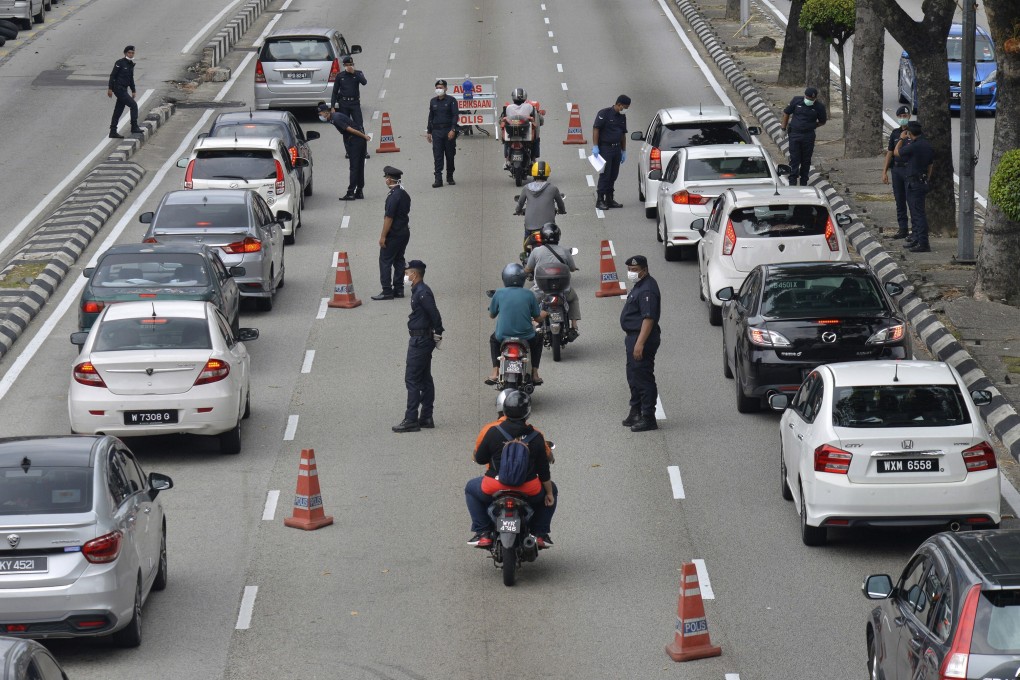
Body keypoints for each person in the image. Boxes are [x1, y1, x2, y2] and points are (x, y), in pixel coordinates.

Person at [464, 390, 557, 549]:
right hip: (529, 489)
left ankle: (483, 532)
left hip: (494, 486)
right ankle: (539, 534)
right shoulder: (536, 436)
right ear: (527, 412)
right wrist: (549, 493)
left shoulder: (493, 432)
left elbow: (480, 459)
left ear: (504, 410)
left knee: (470, 488)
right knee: (553, 490)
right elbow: (543, 470)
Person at [392, 260, 444, 433]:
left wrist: (438, 331)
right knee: (424, 378)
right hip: (422, 338)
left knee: (412, 379)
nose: (405, 276)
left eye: (407, 273)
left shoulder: (423, 292)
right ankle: (426, 417)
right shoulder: (419, 291)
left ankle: (411, 419)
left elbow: (434, 312)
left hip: (420, 340)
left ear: (414, 274)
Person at [486, 263, 545, 386]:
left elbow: (491, 315)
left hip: (503, 336)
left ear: (504, 278)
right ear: (523, 278)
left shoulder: (499, 293)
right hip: (526, 337)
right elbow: (537, 318)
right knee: (539, 338)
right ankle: (535, 373)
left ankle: (495, 372)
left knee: (493, 340)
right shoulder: (529, 294)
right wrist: (546, 314)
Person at [620, 255, 661, 432]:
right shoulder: (640, 286)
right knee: (633, 375)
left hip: (642, 337)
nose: (631, 273)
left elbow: (649, 318)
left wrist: (640, 343)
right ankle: (635, 411)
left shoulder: (647, 289)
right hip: (633, 337)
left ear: (644, 270)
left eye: (635, 270)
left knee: (643, 378)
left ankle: (648, 417)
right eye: (629, 270)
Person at [524, 222, 580, 337]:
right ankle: (574, 325)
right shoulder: (565, 251)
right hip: (563, 290)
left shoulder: (536, 251)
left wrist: (525, 271)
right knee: (573, 298)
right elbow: (572, 268)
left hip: (540, 290)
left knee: (527, 300)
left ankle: (534, 322)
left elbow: (528, 268)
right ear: (558, 236)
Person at [895, 121, 935, 253]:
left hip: (914, 183)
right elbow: (930, 165)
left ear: (910, 133)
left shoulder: (914, 146)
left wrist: (901, 138)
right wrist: (927, 179)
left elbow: (897, 152)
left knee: (918, 214)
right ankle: (917, 239)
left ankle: (923, 243)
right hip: (922, 181)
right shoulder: (927, 145)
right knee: (917, 212)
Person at [317, 103, 371, 201]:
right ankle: (359, 191)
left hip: (356, 140)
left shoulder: (336, 119)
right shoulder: (334, 117)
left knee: (354, 167)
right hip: (358, 140)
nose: (320, 116)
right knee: (359, 166)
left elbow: (351, 130)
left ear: (326, 113)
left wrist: (364, 136)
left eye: (320, 114)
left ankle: (351, 193)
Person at [373, 166, 412, 300]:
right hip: (404, 232)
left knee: (385, 260)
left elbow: (389, 218)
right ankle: (399, 289)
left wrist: (383, 236)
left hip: (394, 234)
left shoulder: (393, 196)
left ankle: (387, 291)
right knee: (399, 259)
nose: (385, 180)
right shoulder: (404, 193)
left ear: (389, 180)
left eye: (386, 178)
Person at [780, 86, 827, 186]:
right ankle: (792, 181)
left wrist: (811, 126)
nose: (809, 100)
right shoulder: (796, 101)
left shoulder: (819, 107)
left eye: (812, 99)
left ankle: (803, 181)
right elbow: (786, 113)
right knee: (794, 158)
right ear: (805, 96)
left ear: (815, 98)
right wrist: (783, 128)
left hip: (808, 136)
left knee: (806, 159)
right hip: (795, 134)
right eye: (808, 98)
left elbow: (822, 121)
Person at [592, 94, 630, 210]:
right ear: (618, 104)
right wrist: (595, 146)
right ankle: (600, 199)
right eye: (623, 107)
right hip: (605, 149)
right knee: (605, 174)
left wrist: (624, 150)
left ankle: (609, 199)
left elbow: (623, 134)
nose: (624, 110)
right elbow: (596, 129)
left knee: (613, 174)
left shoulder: (621, 118)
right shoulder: (604, 114)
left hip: (616, 149)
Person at [882, 106, 913, 240]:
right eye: (900, 116)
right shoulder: (895, 133)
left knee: (911, 200)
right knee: (899, 200)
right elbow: (890, 153)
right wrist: (885, 171)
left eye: (904, 116)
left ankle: (915, 229)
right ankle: (903, 229)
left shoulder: (914, 132)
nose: (902, 119)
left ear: (909, 116)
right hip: (897, 169)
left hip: (909, 169)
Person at [514, 161, 565, 236]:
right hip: (548, 229)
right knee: (554, 242)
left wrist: (518, 211)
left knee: (527, 245)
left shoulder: (526, 188)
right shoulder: (553, 189)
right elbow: (561, 204)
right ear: (547, 174)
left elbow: (519, 205)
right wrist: (562, 211)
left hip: (530, 228)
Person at [426, 79, 460, 188]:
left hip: (448, 131)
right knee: (438, 156)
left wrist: (453, 129)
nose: (439, 89)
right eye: (437, 87)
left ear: (445, 88)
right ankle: (438, 179)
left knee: (450, 155)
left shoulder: (451, 100)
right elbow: (431, 117)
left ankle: (449, 176)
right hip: (437, 132)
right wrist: (429, 132)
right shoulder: (433, 101)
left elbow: (455, 115)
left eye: (441, 87)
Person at [500, 87, 541, 168]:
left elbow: (502, 119)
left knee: (506, 142)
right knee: (536, 140)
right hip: (525, 133)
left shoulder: (509, 108)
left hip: (511, 133)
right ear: (524, 97)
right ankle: (533, 159)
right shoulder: (529, 107)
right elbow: (538, 120)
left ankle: (507, 160)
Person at [107, 45, 143, 139]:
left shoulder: (131, 64)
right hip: (118, 89)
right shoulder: (120, 63)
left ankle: (113, 131)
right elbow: (112, 76)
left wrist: (133, 90)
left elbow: (131, 78)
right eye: (129, 53)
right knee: (133, 105)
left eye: (132, 53)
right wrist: (110, 89)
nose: (131, 54)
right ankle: (134, 126)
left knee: (118, 110)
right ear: (125, 53)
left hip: (124, 89)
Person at [330, 56, 367, 129]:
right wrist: (332, 106)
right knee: (345, 126)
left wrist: (354, 72)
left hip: (354, 103)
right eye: (347, 65)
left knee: (359, 124)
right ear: (344, 66)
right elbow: (335, 92)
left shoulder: (358, 73)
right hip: (344, 103)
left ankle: (361, 139)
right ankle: (348, 140)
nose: (349, 66)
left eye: (351, 64)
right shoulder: (340, 76)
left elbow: (364, 82)